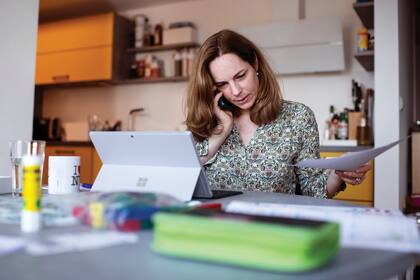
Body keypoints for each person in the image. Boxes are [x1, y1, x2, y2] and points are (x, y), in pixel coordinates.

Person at [185, 29, 371, 198]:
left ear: (255, 64)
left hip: (276, 230)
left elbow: (313, 192)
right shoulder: (206, 122)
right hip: (215, 230)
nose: (235, 91)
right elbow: (181, 185)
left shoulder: (298, 117)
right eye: (222, 84)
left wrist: (337, 174)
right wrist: (219, 136)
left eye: (240, 76)